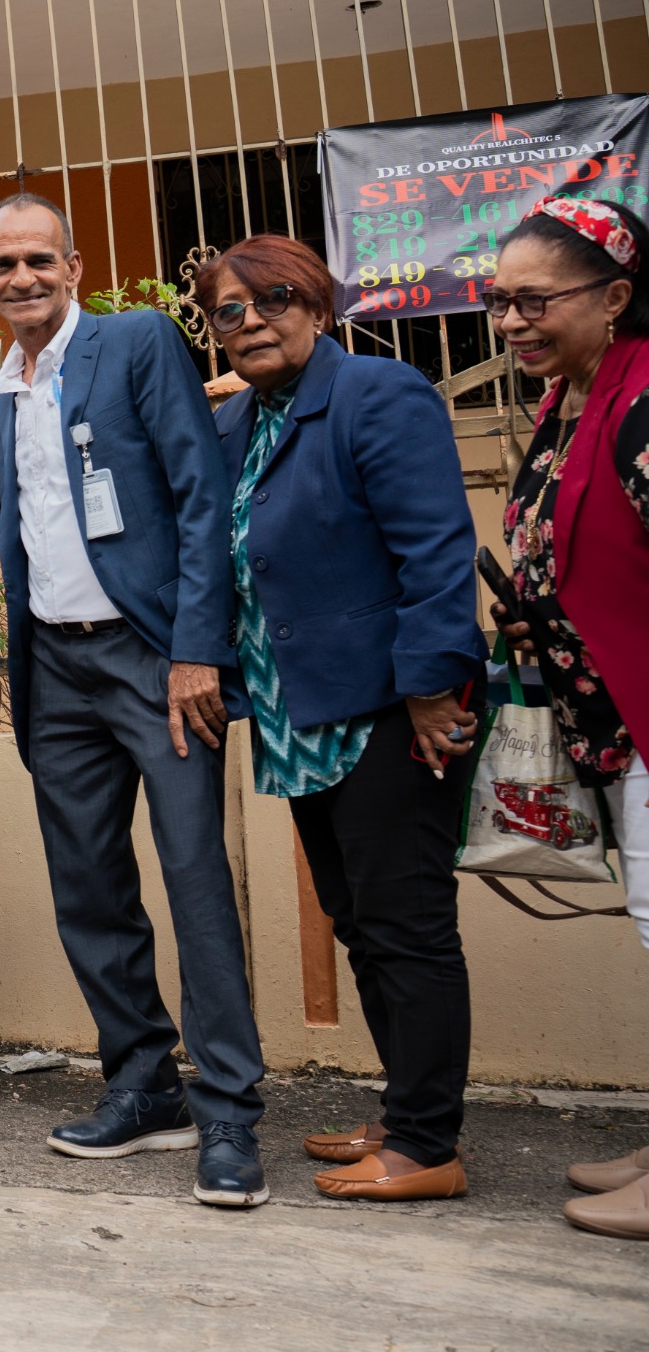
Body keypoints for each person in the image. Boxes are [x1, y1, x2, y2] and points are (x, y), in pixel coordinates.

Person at [0, 192, 265, 1208]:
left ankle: (227, 1109)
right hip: (55, 672)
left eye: (37, 259)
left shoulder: (135, 343)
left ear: (74, 264)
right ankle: (142, 1084)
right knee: (86, 885)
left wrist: (195, 651)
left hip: (152, 661)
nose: (21, 278)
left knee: (192, 879)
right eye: (1, 264)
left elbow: (197, 494)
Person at [200, 236, 484, 1203]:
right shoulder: (239, 425)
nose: (252, 321)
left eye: (273, 298)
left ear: (318, 304)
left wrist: (435, 686)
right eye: (228, 311)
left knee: (407, 927)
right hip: (296, 716)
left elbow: (437, 552)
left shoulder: (378, 397)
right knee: (361, 922)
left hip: (387, 712)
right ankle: (408, 1110)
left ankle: (428, 1144)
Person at [479, 196, 649, 1242]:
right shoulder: (575, 398)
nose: (509, 321)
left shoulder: (640, 406)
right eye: (499, 301)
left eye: (533, 300)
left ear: (616, 297)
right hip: (612, 725)